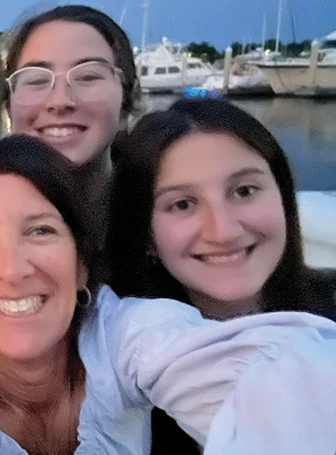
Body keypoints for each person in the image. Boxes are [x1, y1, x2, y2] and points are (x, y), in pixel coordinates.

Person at [0, 135, 336, 455]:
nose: (13, 269)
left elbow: (264, 376)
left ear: (82, 266)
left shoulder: (123, 338)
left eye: (40, 231)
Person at [107, 98, 336, 454]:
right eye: (182, 204)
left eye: (244, 191)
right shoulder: (120, 387)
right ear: (145, 235)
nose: (224, 231)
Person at [4, 4, 139, 248]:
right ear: (9, 106)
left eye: (88, 76)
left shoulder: (167, 224)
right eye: (36, 79)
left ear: (125, 103)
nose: (59, 102)